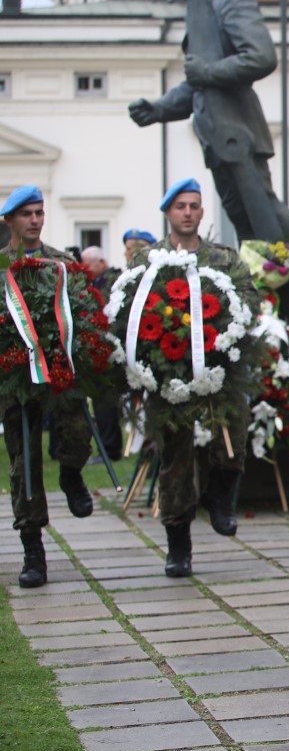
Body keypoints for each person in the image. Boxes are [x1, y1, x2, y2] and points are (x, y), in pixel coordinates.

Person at [127, 0, 289, 327]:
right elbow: (199, 82)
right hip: (218, 134)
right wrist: (159, 108)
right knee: (249, 226)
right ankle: (271, 309)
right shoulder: (208, 0)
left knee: (265, 219)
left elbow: (260, 56)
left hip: (237, 132)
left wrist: (207, 71)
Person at [132, 179, 258, 577]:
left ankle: (221, 497)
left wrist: (222, 331)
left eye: (195, 206)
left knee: (234, 434)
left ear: (203, 213)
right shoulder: (147, 259)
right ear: (168, 213)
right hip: (166, 373)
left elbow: (249, 301)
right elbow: (131, 314)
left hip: (218, 369)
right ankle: (178, 546)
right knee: (175, 460)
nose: (188, 212)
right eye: (180, 206)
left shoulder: (224, 258)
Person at [1, 185, 95, 588]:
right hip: (14, 376)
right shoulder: (1, 265)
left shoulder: (62, 262)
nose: (35, 220)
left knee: (77, 433)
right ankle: (33, 551)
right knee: (24, 462)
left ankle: (71, 473)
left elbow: (85, 310)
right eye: (26, 214)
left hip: (58, 370)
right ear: (9, 221)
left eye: (39, 213)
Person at [78, 246, 125, 463]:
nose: (84, 267)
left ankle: (109, 449)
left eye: (88, 262)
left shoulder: (112, 282)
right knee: (100, 402)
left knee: (105, 402)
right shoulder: (92, 283)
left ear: (101, 263)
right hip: (98, 351)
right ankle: (107, 448)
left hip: (110, 352)